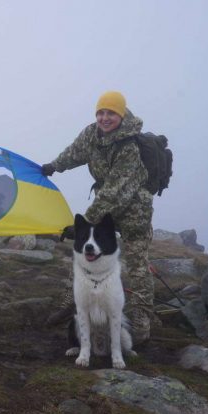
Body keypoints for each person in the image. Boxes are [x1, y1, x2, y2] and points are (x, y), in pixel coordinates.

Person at [42, 91, 155, 344]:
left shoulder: (130, 146)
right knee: (86, 255)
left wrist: (82, 225)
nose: (104, 118)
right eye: (101, 112)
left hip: (134, 210)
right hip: (107, 206)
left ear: (121, 114)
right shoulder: (91, 134)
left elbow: (114, 192)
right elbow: (74, 153)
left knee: (137, 266)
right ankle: (71, 299)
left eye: (111, 113)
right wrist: (54, 166)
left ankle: (140, 320)